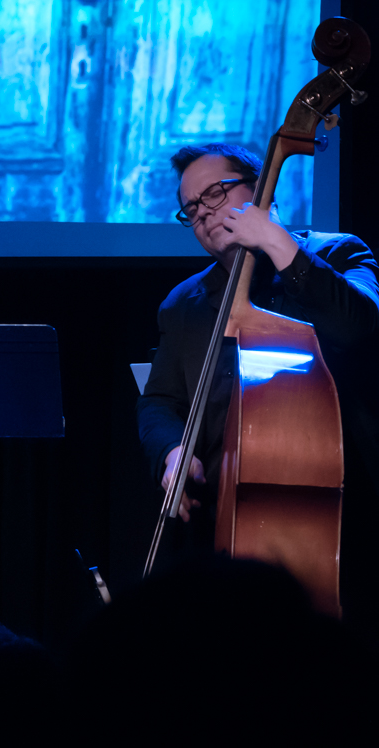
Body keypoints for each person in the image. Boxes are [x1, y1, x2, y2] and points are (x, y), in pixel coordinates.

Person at [136, 143, 379, 632]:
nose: (204, 213)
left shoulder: (339, 252)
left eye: (215, 193)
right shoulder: (182, 304)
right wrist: (172, 453)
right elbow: (159, 401)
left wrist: (274, 240)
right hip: (225, 519)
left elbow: (357, 326)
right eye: (191, 208)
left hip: (347, 511)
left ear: (260, 187)